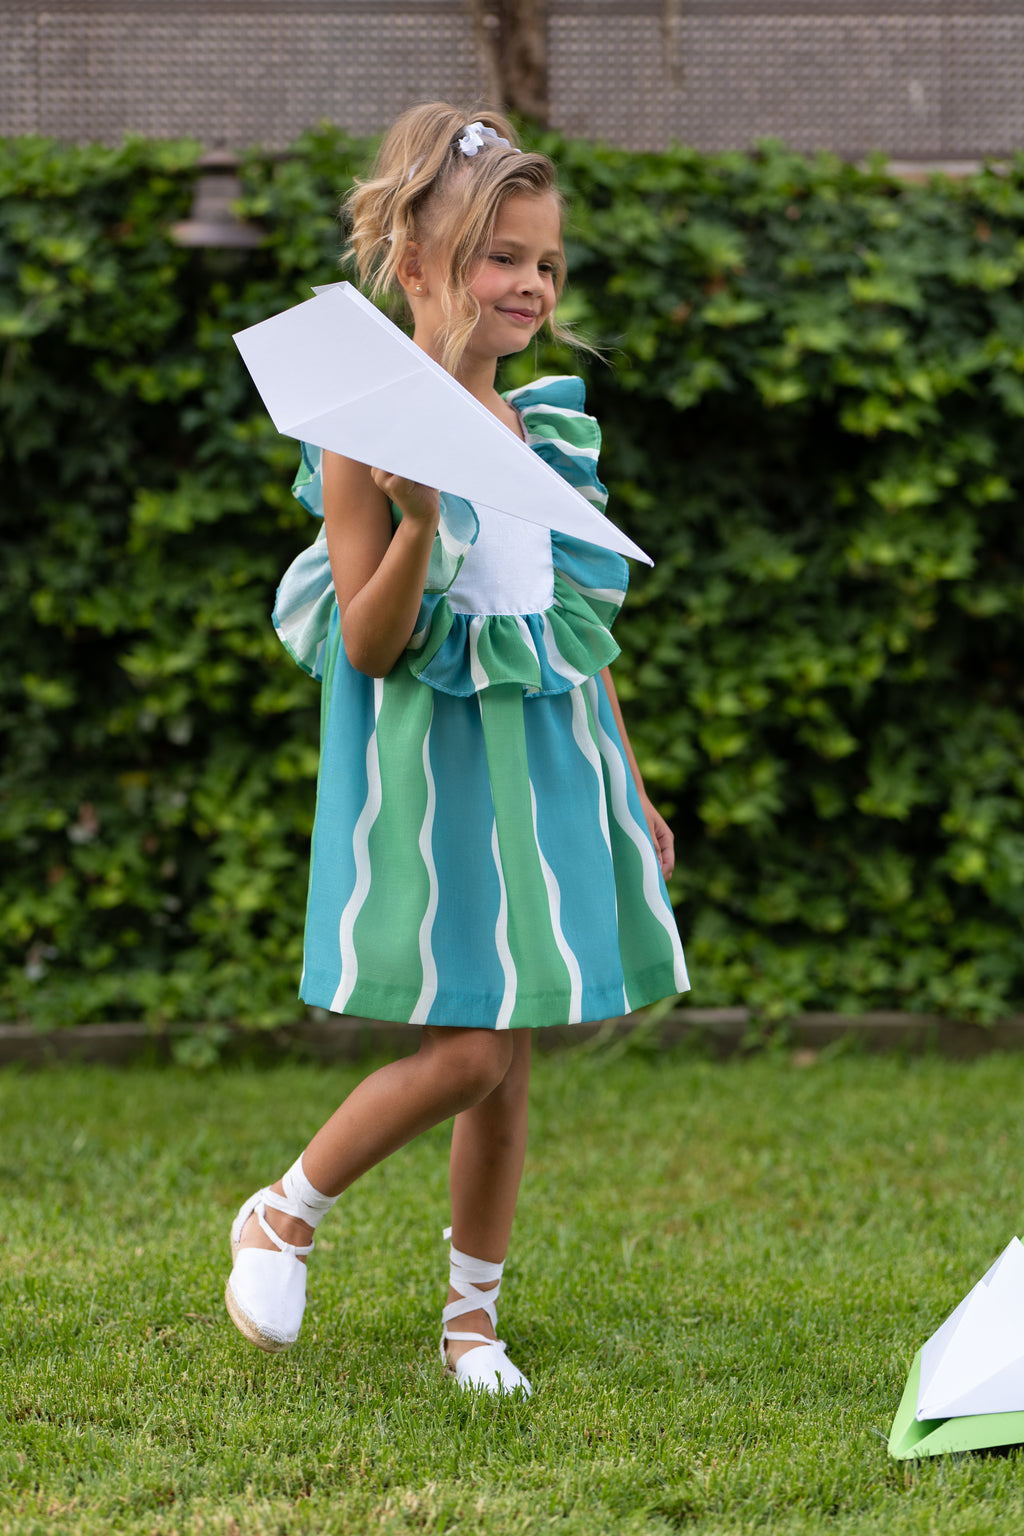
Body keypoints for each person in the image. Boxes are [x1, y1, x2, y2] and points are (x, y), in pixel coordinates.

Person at [225, 101, 689, 1396]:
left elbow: (575, 640)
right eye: (502, 256)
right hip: (437, 781)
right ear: (420, 264)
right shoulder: (366, 428)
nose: (531, 284)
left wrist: (629, 790)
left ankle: (472, 1322)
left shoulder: (546, 434)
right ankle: (286, 1209)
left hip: (549, 771)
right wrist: (419, 524)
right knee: (473, 1046)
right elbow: (366, 647)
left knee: (513, 1054)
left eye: (545, 262)